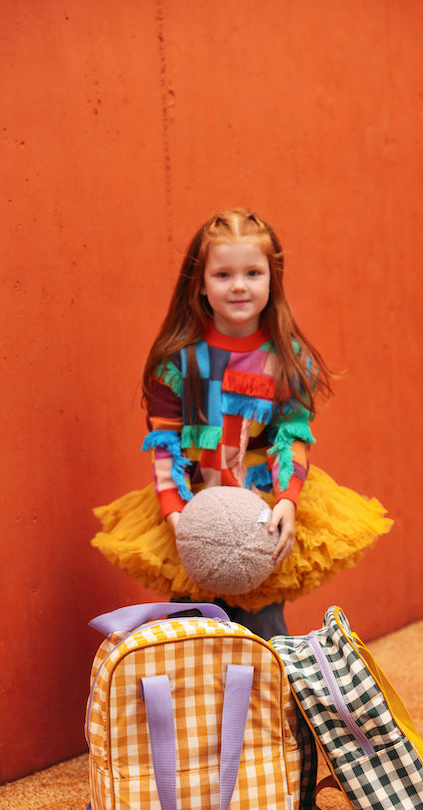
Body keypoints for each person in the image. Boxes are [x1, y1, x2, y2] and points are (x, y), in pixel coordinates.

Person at [92, 208, 392, 638]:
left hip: (262, 514)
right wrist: (178, 518)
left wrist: (287, 499)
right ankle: (198, 705)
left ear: (273, 279)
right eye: (223, 275)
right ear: (200, 285)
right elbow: (165, 447)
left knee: (262, 631)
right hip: (195, 511)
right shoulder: (181, 363)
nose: (238, 286)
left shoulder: (286, 361)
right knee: (193, 632)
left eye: (253, 273)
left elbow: (290, 440)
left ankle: (265, 704)